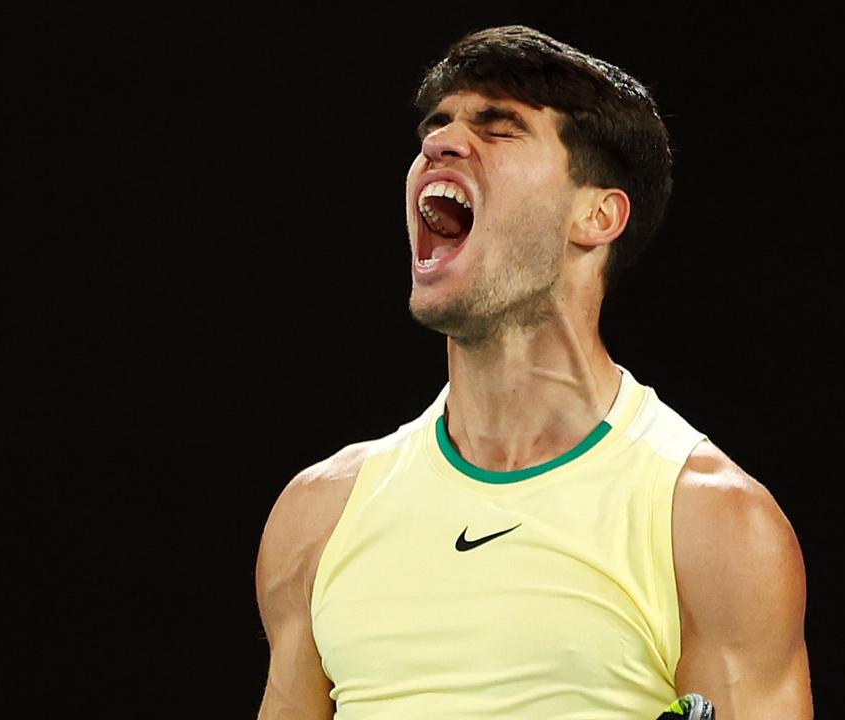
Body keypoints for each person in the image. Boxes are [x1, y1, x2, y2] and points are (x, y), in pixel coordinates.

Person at [255, 25, 812, 720]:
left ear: (597, 214)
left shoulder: (708, 523)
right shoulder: (319, 512)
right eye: (437, 124)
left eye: (499, 128)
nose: (441, 143)